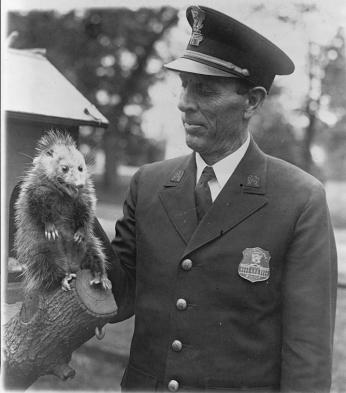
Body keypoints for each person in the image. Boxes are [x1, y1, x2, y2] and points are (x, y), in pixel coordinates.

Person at [104, 5, 337, 392]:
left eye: (205, 90)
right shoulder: (148, 184)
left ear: (252, 101)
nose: (184, 102)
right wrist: (75, 213)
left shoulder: (300, 201)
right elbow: (117, 298)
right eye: (183, 85)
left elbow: (307, 357)